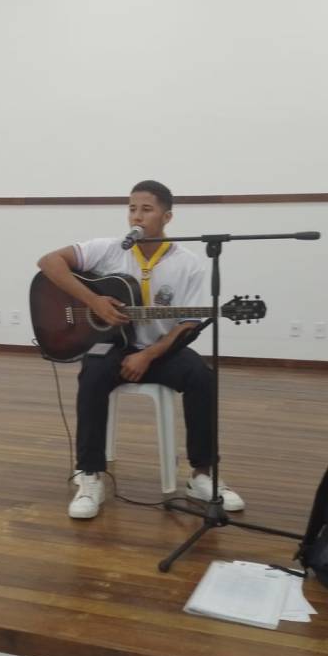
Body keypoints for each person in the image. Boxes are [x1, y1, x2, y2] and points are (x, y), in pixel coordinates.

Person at [37, 180, 245, 519]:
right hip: (112, 345)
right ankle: (90, 475)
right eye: (132, 208)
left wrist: (147, 355)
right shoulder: (108, 249)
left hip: (161, 351)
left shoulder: (188, 263)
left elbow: (187, 324)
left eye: (146, 209)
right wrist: (94, 302)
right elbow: (48, 262)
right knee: (92, 375)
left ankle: (203, 475)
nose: (136, 216)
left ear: (167, 217)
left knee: (202, 377)